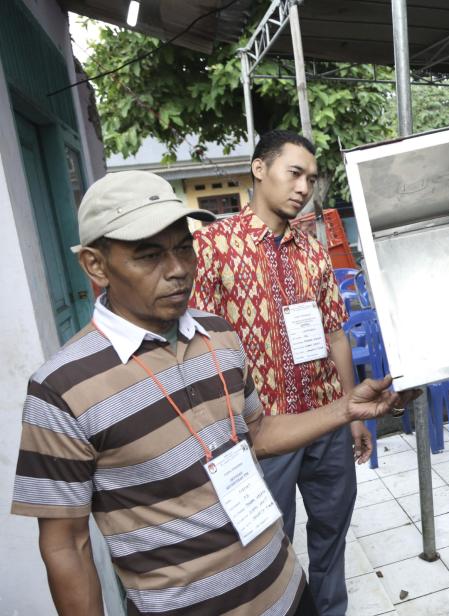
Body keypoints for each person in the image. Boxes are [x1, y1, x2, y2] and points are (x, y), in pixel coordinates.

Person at [10, 170, 416, 616]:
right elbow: (67, 544)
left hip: (286, 593)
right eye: (148, 256)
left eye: (183, 247)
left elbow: (257, 434)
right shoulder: (60, 389)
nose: (179, 270)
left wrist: (345, 409)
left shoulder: (220, 335)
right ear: (95, 265)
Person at [191, 130, 370, 615]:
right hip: (261, 433)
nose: (303, 187)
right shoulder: (213, 247)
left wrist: (351, 413)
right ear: (259, 169)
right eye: (295, 173)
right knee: (270, 547)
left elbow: (335, 334)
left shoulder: (312, 252)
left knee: (332, 534)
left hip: (325, 420)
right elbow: (199, 348)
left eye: (310, 178)